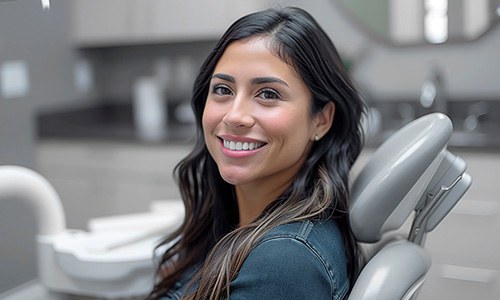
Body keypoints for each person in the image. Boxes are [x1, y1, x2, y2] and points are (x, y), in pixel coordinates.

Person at [148, 6, 365, 300]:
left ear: (321, 119)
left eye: (268, 94)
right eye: (223, 89)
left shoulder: (285, 262)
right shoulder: (236, 224)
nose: (235, 116)